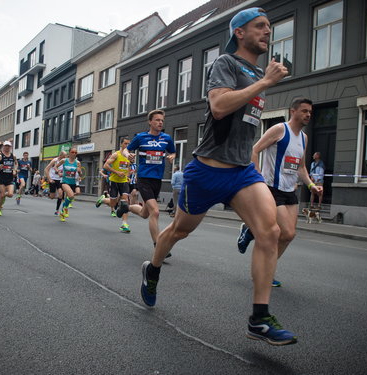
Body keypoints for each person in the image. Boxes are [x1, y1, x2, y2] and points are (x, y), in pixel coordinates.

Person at [139, 8, 298, 346]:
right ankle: (152, 269)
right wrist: (265, 81)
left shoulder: (255, 71)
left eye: (269, 27)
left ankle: (259, 318)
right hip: (208, 170)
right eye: (260, 26)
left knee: (270, 232)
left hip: (242, 172)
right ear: (239, 32)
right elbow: (219, 108)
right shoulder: (226, 63)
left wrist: (262, 79)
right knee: (179, 230)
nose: (267, 32)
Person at [237, 98, 323, 288]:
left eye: (310, 111)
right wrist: (258, 177)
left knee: (288, 235)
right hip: (271, 188)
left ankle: (251, 232)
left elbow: (301, 167)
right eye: (304, 111)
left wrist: (311, 186)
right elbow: (254, 151)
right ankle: (262, 272)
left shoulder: (304, 138)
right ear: (293, 111)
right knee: (280, 232)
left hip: (290, 189)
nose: (308, 114)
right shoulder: (279, 130)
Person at [120, 109, 176, 247]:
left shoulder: (167, 138)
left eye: (162, 120)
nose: (160, 122)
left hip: (157, 179)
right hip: (144, 178)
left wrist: (171, 157)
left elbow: (173, 152)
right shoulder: (141, 137)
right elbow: (126, 149)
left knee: (145, 213)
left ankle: (126, 207)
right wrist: (128, 155)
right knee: (155, 212)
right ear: (150, 122)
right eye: (157, 120)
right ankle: (159, 245)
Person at [95, 137, 132, 233]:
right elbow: (105, 166)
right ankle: (103, 199)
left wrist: (127, 176)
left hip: (123, 182)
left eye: (128, 144)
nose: (127, 146)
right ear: (121, 144)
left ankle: (124, 224)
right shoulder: (116, 154)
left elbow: (128, 168)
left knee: (125, 203)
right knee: (113, 203)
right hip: (114, 181)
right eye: (125, 143)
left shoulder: (129, 156)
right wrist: (116, 172)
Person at [55, 147, 81, 222]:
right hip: (65, 181)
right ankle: (65, 209)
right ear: (69, 153)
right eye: (72, 152)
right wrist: (59, 172)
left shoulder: (78, 162)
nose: (74, 154)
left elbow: (80, 173)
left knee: (77, 193)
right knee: (71, 195)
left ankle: (63, 209)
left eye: (75, 152)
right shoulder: (64, 160)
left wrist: (79, 173)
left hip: (74, 182)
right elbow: (55, 167)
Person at [0, 141, 18, 216]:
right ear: (3, 146)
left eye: (8, 146)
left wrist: (14, 170)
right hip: (2, 178)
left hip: (10, 178)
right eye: (6, 146)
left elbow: (16, 163)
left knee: (10, 194)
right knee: (1, 195)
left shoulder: (13, 156)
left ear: (10, 147)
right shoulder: (0, 156)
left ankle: (3, 196)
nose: (7, 147)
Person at [44, 151, 66, 215]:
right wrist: (49, 179)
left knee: (61, 194)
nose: (65, 158)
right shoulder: (54, 161)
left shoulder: (64, 162)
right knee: (52, 197)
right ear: (60, 156)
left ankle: (57, 210)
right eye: (64, 156)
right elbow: (46, 169)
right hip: (53, 179)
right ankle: (47, 193)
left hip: (60, 180)